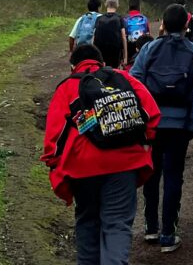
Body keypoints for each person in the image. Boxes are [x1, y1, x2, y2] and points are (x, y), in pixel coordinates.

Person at [42, 43, 160, 265]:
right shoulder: (123, 78)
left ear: (73, 67)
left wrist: (55, 166)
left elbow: (53, 140)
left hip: (82, 168)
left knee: (87, 224)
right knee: (117, 225)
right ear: (102, 63)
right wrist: (146, 142)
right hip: (124, 164)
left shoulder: (67, 87)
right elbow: (151, 112)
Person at [131, 3, 193, 253]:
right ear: (186, 25)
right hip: (181, 125)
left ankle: (151, 227)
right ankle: (168, 234)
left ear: (162, 23)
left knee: (151, 173)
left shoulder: (149, 49)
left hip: (152, 124)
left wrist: (138, 119)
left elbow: (135, 82)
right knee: (173, 175)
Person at [93, 0, 128, 69]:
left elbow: (94, 37)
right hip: (115, 54)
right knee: (114, 72)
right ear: (117, 5)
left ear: (106, 4)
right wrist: (125, 57)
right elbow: (123, 37)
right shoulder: (119, 18)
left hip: (101, 54)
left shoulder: (99, 18)